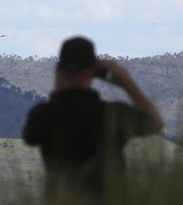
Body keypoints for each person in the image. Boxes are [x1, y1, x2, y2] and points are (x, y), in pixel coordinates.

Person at [22, 37, 163, 202]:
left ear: (59, 70)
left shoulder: (42, 115)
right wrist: (126, 83)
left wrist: (60, 91)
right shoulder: (113, 114)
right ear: (94, 71)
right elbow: (156, 123)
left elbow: (31, 136)